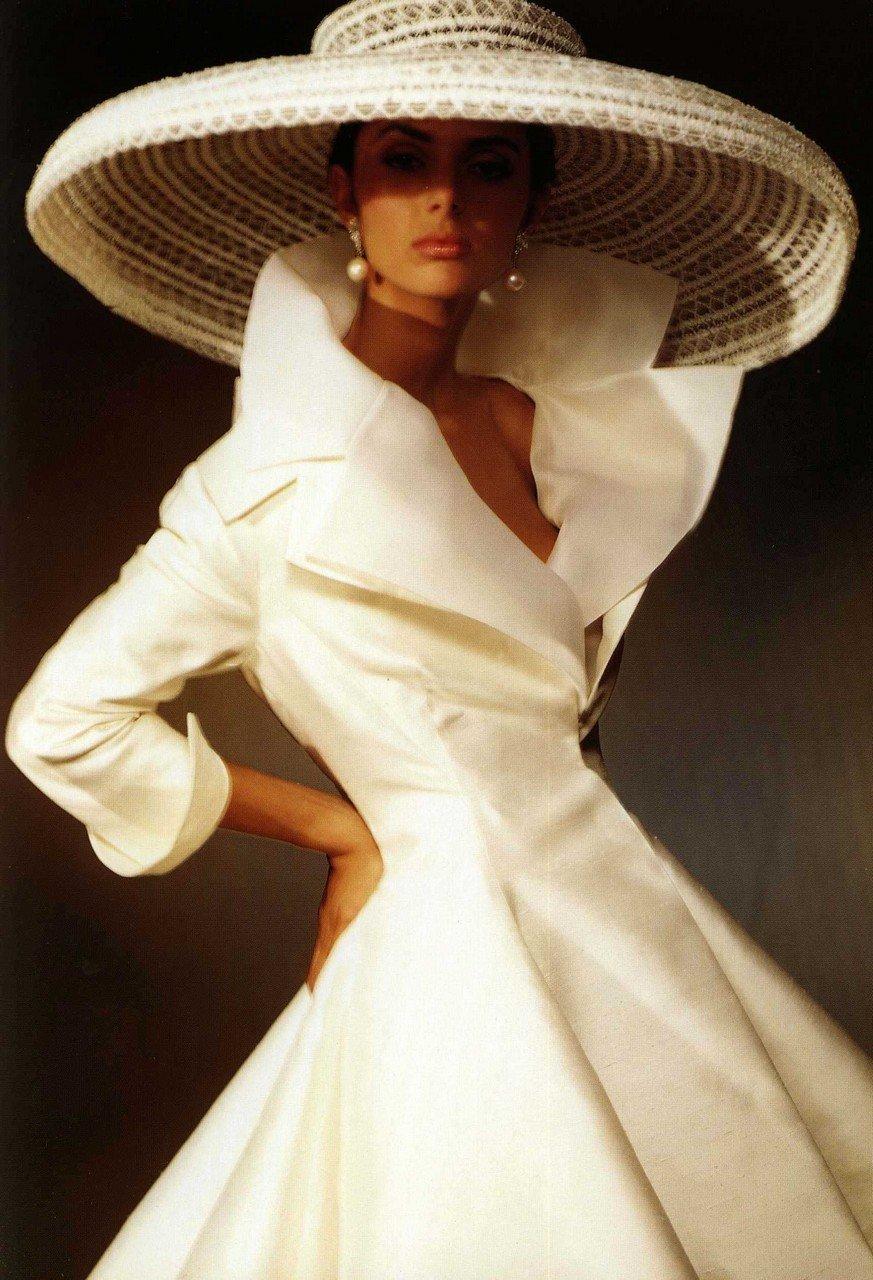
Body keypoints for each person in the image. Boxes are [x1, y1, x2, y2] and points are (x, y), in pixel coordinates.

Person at [6, 1, 872, 1276]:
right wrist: (343, 828)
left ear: (533, 203)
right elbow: (60, 720)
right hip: (450, 961)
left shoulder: (554, 431)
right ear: (344, 192)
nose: (446, 199)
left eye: (491, 164)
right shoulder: (265, 484)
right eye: (404, 157)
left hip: (629, 927)